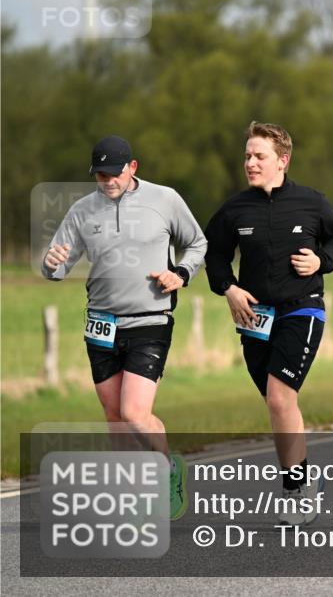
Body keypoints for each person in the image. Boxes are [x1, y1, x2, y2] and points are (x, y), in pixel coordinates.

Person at [41, 135, 207, 520]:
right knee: (114, 414)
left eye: (114, 173)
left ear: (133, 167)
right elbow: (57, 267)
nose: (108, 180)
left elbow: (197, 243)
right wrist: (52, 263)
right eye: (100, 174)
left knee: (134, 412)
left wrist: (181, 273)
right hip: (101, 323)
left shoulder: (164, 200)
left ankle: (166, 470)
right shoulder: (82, 210)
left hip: (150, 319)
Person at [204, 121, 333, 524]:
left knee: (280, 397)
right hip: (254, 317)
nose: (250, 162)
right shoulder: (235, 209)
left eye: (259, 156)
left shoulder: (312, 202)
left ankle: (294, 490)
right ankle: (304, 480)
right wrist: (228, 288)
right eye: (247, 155)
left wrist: (322, 261)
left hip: (302, 309)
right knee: (277, 401)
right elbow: (213, 255)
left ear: (282, 161)